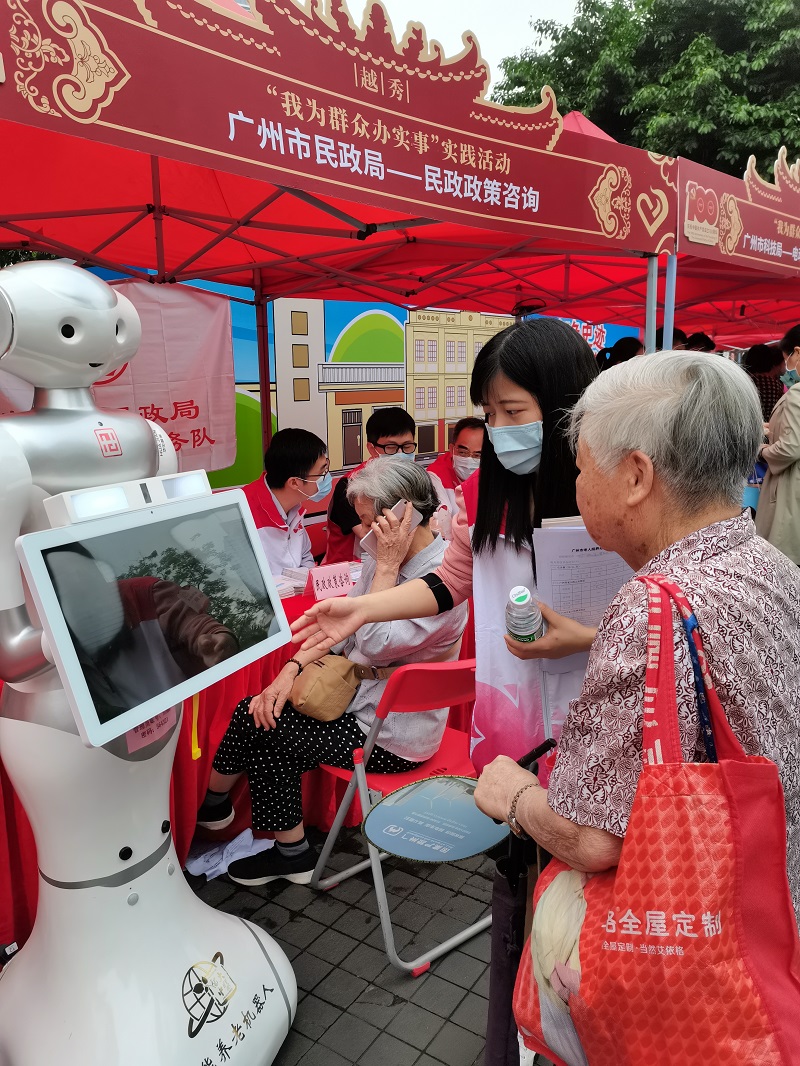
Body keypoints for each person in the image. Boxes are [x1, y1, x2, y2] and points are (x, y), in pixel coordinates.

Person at [292, 318, 599, 1066]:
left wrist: (589, 638)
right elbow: (449, 581)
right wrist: (364, 607)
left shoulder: (606, 496)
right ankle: (524, 1032)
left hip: (595, 727)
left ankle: (574, 1032)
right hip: (512, 720)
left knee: (583, 896)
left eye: (514, 411)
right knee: (522, 875)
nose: (498, 432)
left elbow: (660, 609)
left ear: (566, 406)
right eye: (489, 414)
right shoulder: (486, 495)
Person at [472, 350, 800, 932]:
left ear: (635, 477)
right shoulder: (769, 563)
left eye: (581, 468)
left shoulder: (652, 606)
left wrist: (513, 794)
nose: (575, 484)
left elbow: (593, 839)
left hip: (690, 936)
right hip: (769, 905)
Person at [197, 458, 468, 885]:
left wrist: (386, 567)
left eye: (369, 522)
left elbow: (373, 643)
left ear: (405, 515)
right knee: (264, 709)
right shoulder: (380, 555)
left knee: (260, 722)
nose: (363, 534)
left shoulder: (443, 582)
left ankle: (260, 835)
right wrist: (289, 670)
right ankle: (266, 839)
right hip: (358, 706)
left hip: (392, 736)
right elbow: (341, 631)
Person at [324, 407, 416, 564]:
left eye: (407, 446)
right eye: (391, 448)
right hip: (351, 569)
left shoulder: (412, 479)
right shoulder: (351, 486)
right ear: (372, 449)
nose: (401, 454)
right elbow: (372, 536)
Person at [240, 427, 329, 576]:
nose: (326, 478)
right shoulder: (242, 513)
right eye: (321, 473)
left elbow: (305, 558)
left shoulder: (294, 507)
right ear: (294, 483)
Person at [755, 325, 800, 562]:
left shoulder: (796, 395)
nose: (785, 367)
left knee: (783, 563)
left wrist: (762, 450)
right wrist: (771, 428)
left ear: (797, 352)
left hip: (789, 491)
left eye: (786, 359)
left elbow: (790, 447)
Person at [426, 416, 485, 537]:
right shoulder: (436, 475)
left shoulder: (496, 473)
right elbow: (442, 521)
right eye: (463, 452)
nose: (469, 459)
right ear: (452, 449)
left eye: (477, 455)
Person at [742, 341, 786, 422]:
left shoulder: (743, 381)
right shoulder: (774, 385)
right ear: (769, 361)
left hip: (746, 425)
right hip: (768, 426)